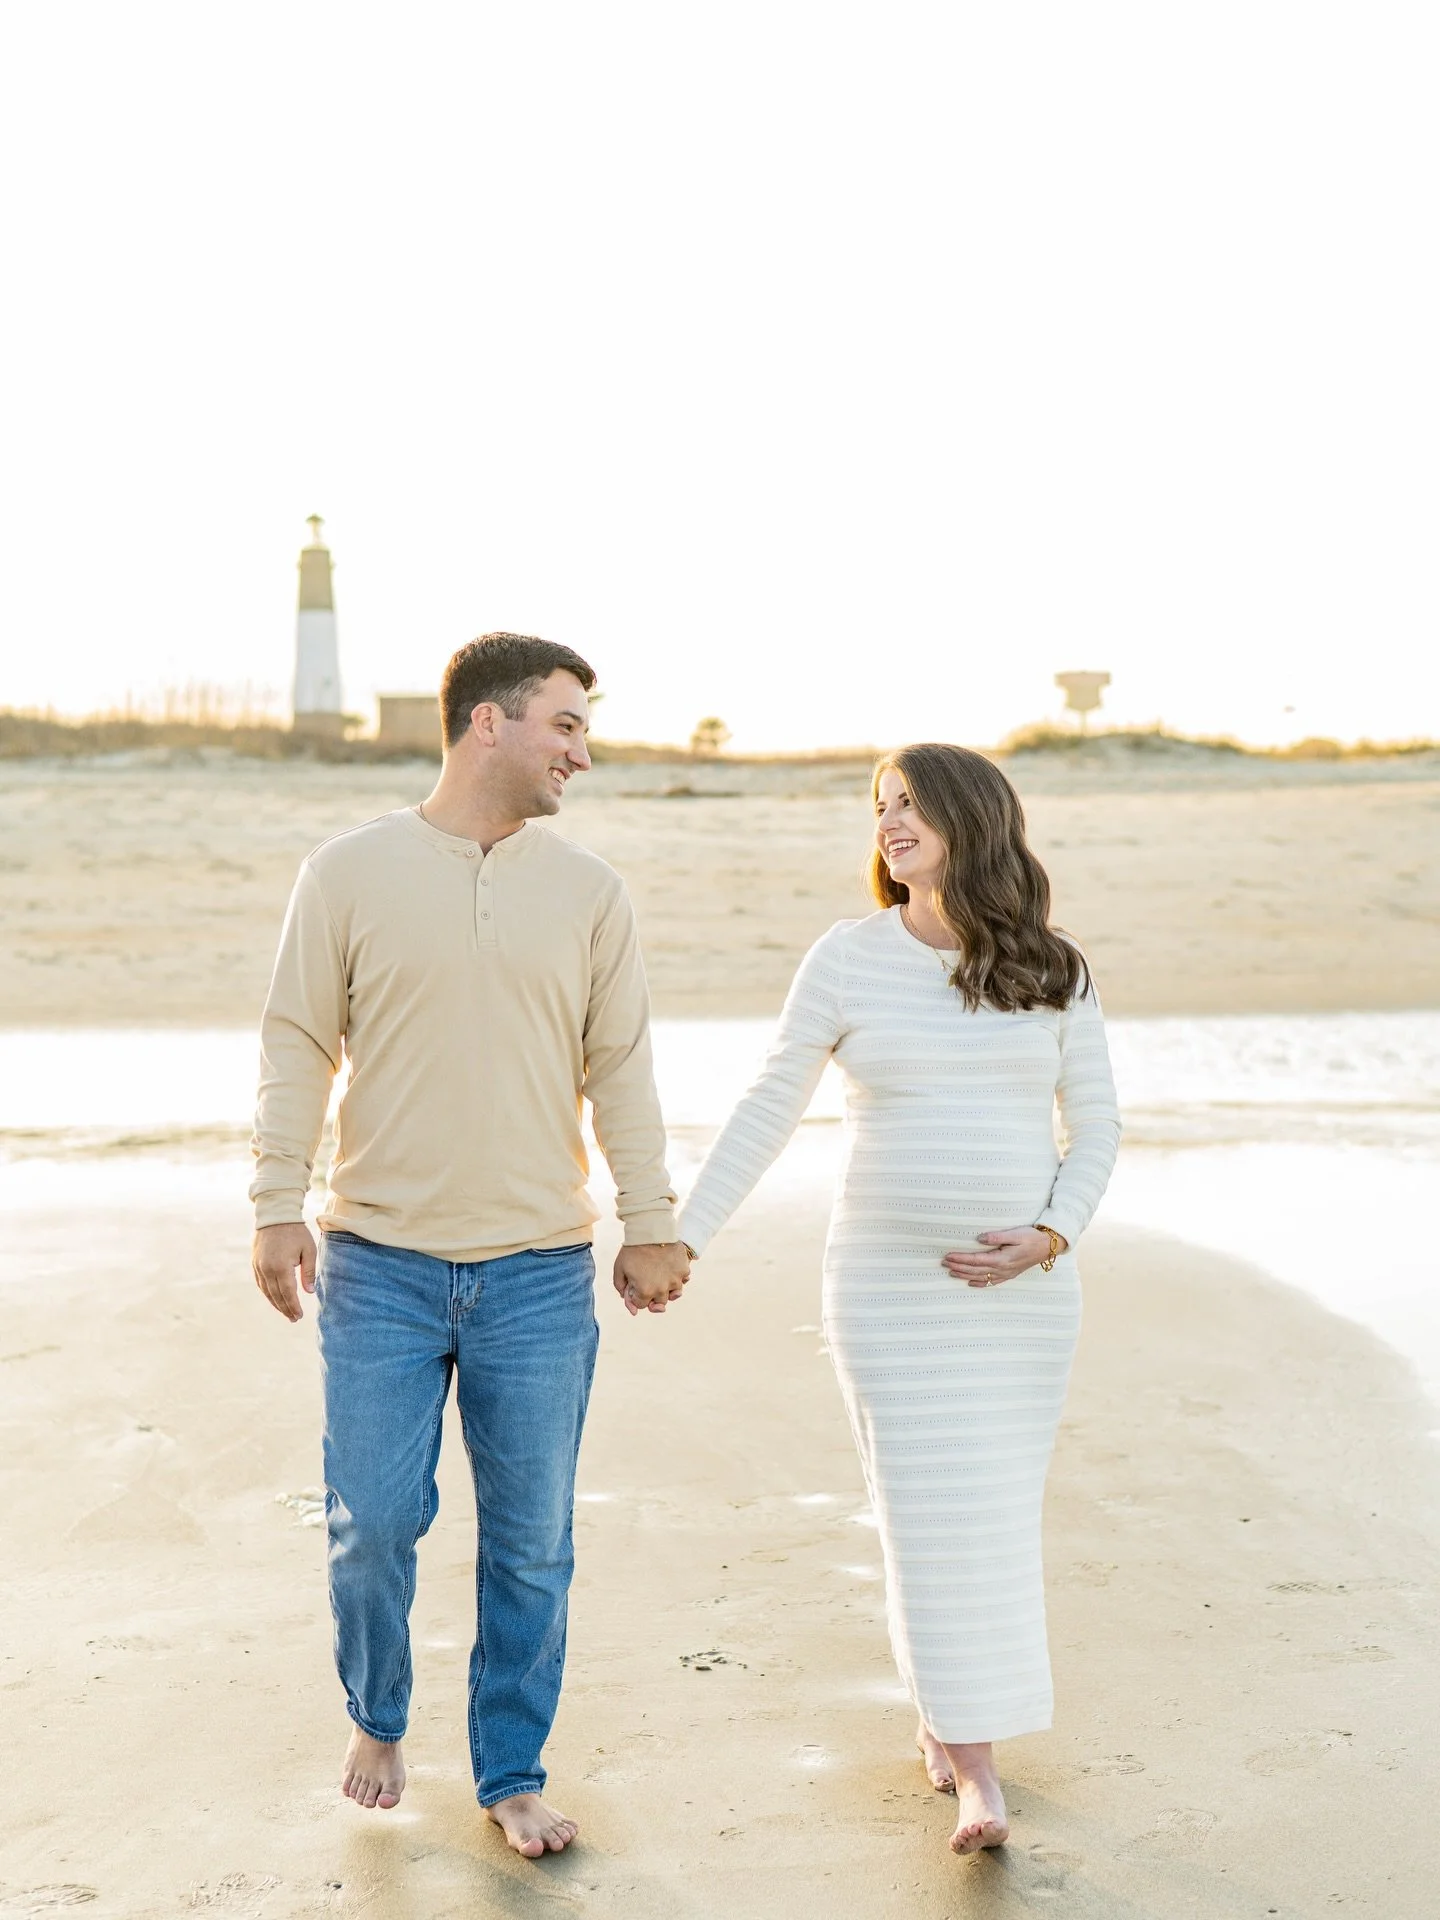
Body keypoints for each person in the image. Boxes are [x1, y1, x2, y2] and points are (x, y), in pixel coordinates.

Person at [250, 633, 690, 1859]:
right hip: (379, 1263)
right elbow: (297, 1043)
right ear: (488, 723)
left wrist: (651, 1219)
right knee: (374, 1523)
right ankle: (378, 1717)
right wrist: (276, 1200)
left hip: (538, 1269)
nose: (581, 753)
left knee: (532, 1543)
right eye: (565, 724)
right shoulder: (347, 872)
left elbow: (621, 1067)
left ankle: (511, 1770)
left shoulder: (591, 893)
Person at [674, 742, 1120, 1857]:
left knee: (992, 1517)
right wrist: (682, 1234)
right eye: (881, 805)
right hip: (888, 1294)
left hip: (1024, 1305)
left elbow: (1098, 1124)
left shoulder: (1054, 967)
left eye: (912, 802)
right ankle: (976, 1769)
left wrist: (1053, 1233)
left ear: (975, 817)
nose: (889, 821)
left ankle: (944, 1716)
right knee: (928, 1516)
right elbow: (769, 1105)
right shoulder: (848, 957)